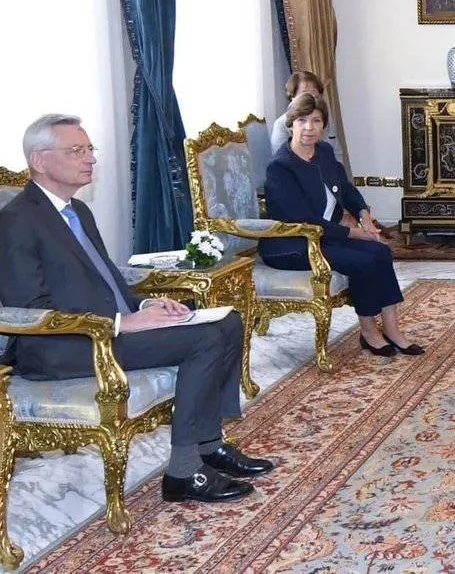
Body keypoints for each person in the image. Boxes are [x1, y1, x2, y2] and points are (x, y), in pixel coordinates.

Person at [0, 114, 274, 503]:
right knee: (205, 339)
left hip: (105, 330)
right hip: (60, 347)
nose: (90, 158)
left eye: (89, 149)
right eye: (76, 151)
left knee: (227, 321)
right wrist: (123, 323)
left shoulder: (77, 211)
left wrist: (146, 304)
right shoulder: (16, 221)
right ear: (40, 161)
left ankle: (209, 444)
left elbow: (105, 279)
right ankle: (183, 472)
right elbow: (28, 309)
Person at [262, 94, 422, 356]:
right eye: (302, 120)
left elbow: (346, 188)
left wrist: (364, 215)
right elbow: (304, 220)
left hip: (324, 236)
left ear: (323, 126)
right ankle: (369, 331)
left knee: (381, 252)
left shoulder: (322, 152)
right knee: (362, 260)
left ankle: (393, 330)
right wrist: (355, 233)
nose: (309, 127)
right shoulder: (280, 167)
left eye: (316, 121)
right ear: (290, 125)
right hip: (292, 244)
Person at [270, 70, 341, 163]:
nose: (311, 98)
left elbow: (337, 153)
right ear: (293, 97)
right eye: (305, 94)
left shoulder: (324, 118)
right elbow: (281, 161)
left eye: (315, 94)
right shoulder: (281, 124)